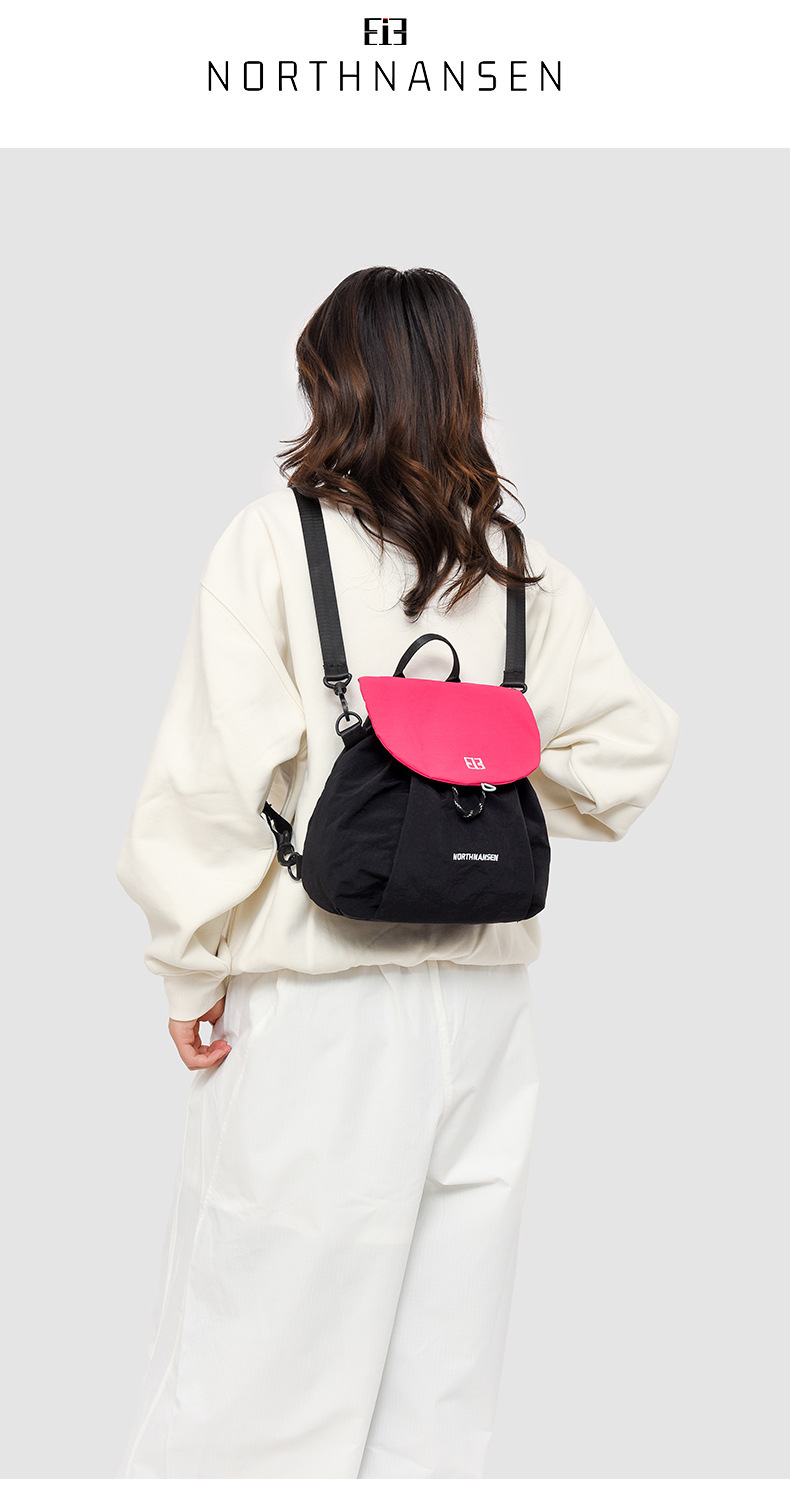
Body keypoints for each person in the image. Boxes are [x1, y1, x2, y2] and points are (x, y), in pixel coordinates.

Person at [115, 265, 680, 1478]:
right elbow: (632, 747)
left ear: (331, 380)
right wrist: (477, 780)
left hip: (319, 1010)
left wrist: (188, 968)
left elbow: (209, 782)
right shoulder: (513, 564)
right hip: (486, 1019)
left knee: (254, 1378)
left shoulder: (275, 542)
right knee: (437, 1398)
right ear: (460, 383)